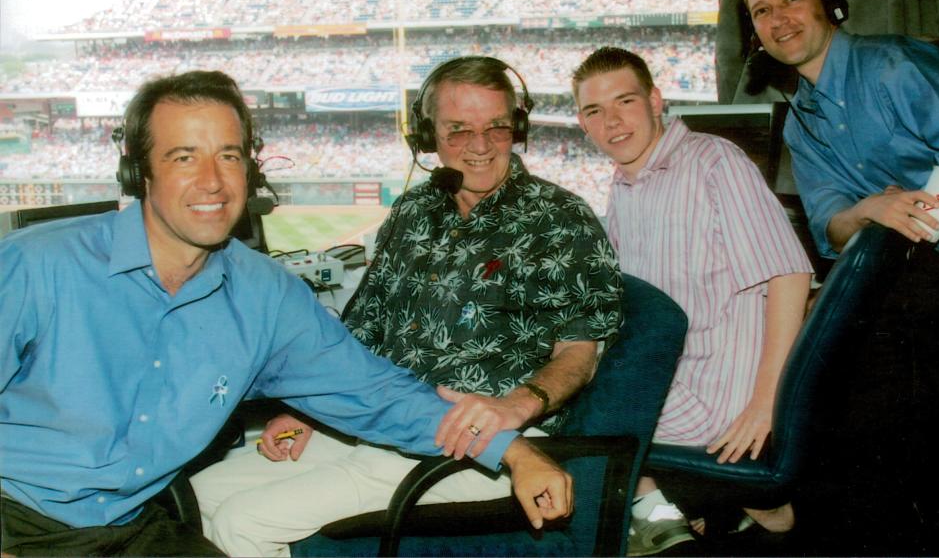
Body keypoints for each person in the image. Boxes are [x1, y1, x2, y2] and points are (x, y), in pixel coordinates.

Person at [0, 70, 572, 557]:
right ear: (139, 172)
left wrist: (515, 452)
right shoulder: (35, 265)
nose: (212, 182)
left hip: (132, 528)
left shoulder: (266, 295)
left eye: (228, 155)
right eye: (183, 157)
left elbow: (375, 394)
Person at [190, 57, 622, 556]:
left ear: (517, 129)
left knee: (244, 523)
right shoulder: (414, 211)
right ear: (427, 135)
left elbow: (579, 354)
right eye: (458, 131)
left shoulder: (561, 219)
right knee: (198, 498)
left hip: (474, 447)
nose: (479, 147)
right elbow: (359, 331)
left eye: (496, 128)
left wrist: (515, 406)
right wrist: (307, 410)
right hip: (384, 421)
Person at [742, 0, 939, 552]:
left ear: (828, 4)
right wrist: (867, 209)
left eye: (792, 0)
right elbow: (830, 226)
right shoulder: (800, 119)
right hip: (897, 268)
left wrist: (915, 215)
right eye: (762, 11)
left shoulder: (893, 65)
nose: (779, 19)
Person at [572, 47, 813, 555]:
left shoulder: (713, 160)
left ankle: (663, 518)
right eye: (595, 111)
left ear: (656, 101)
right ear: (582, 123)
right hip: (679, 373)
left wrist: (767, 403)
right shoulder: (627, 183)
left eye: (625, 102)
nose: (612, 122)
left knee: (557, 409)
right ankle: (720, 504)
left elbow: (789, 274)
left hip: (715, 401)